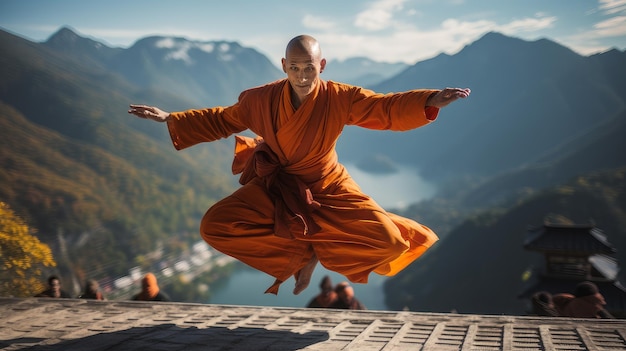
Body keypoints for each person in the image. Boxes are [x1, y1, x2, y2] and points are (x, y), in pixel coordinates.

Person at [128, 34, 470, 295]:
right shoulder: (259, 99)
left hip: (328, 184)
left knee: (391, 243)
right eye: (294, 68)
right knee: (215, 225)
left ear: (322, 66)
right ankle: (302, 255)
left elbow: (384, 108)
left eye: (309, 68)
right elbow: (223, 119)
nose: (302, 76)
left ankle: (316, 248)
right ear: (283, 65)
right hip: (278, 184)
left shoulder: (340, 97)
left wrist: (428, 100)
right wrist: (171, 118)